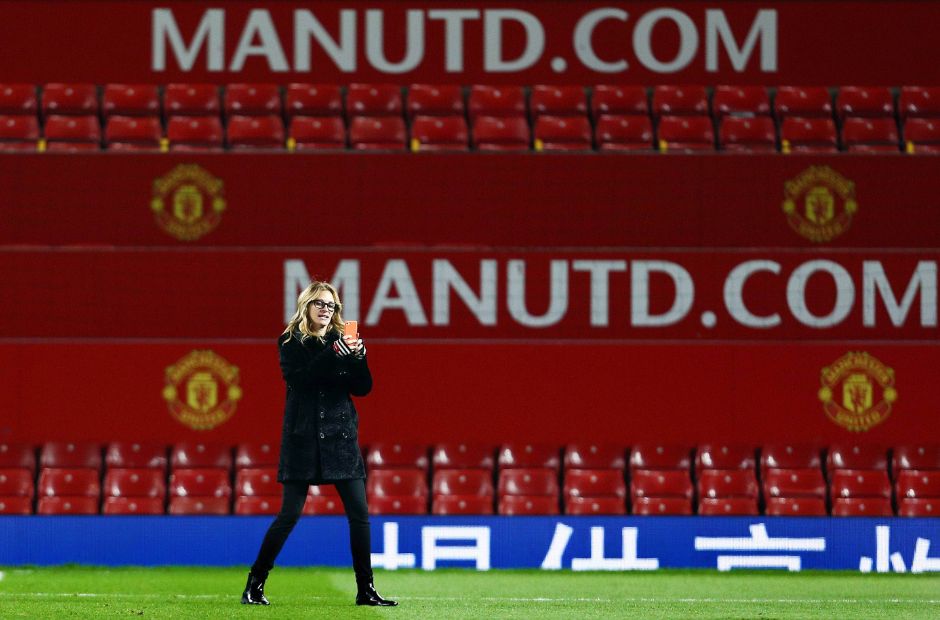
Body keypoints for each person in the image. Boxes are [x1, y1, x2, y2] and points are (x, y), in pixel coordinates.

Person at [241, 281, 397, 607]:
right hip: (303, 440)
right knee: (289, 515)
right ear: (306, 307)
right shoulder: (290, 341)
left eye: (332, 306)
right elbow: (300, 380)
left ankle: (366, 590)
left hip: (340, 440)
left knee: (360, 515)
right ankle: (255, 583)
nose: (327, 310)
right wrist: (333, 353)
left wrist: (358, 358)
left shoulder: (344, 340)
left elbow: (363, 387)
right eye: (320, 304)